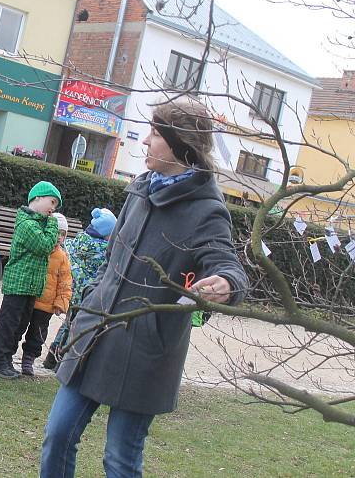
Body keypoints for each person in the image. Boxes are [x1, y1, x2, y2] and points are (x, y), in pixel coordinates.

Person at [39, 100, 249, 478]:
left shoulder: (207, 209)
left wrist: (227, 283)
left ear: (180, 142)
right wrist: (90, 301)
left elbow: (226, 262)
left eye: (155, 133)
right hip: (95, 334)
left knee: (119, 460)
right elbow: (110, 258)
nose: (146, 141)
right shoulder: (140, 187)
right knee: (57, 435)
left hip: (147, 350)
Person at [0, 181, 61, 379]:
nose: (53, 208)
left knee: (19, 326)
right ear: (37, 198)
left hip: (31, 286)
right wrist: (53, 224)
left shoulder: (38, 224)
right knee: (8, 324)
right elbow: (45, 246)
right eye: (51, 202)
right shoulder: (27, 224)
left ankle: (7, 361)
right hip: (18, 283)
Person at [43, 207, 116, 370]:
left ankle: (51, 357)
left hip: (71, 291)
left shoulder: (76, 242)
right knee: (76, 327)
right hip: (86, 294)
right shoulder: (102, 250)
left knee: (68, 324)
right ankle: (62, 359)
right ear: (105, 233)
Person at [17, 212, 72, 377]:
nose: (59, 237)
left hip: (46, 306)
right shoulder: (39, 249)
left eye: (63, 234)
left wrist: (61, 303)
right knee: (18, 327)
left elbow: (65, 282)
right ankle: (8, 353)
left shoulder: (62, 257)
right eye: (56, 232)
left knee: (37, 334)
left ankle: (28, 360)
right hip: (30, 298)